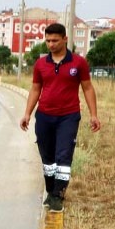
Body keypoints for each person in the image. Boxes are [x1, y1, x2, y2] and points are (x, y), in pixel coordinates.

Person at [20, 23, 101, 212]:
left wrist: (94, 115)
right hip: (45, 116)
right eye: (47, 40)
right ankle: (50, 190)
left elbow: (87, 88)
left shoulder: (79, 63)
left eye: (55, 40)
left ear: (65, 39)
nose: (51, 44)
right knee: (47, 156)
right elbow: (35, 89)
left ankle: (58, 195)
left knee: (63, 155)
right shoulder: (41, 64)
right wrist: (27, 113)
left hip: (69, 116)